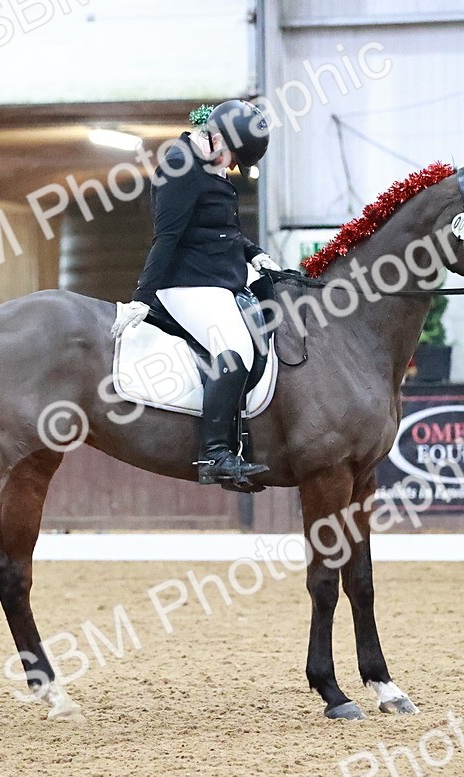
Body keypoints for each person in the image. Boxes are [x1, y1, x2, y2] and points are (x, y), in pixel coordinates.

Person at [111, 100, 281, 488]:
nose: (231, 166)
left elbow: (222, 229)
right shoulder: (180, 166)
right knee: (234, 347)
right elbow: (167, 237)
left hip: (218, 281)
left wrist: (257, 255)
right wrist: (142, 296)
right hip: (187, 284)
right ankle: (215, 453)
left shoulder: (210, 164)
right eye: (233, 157)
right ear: (217, 137)